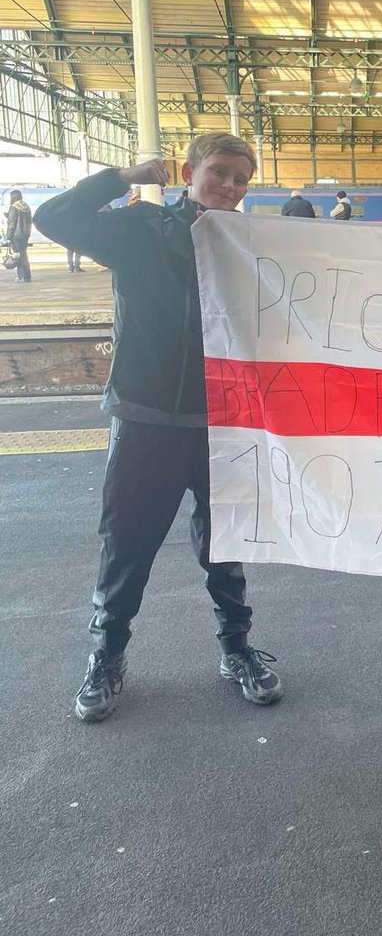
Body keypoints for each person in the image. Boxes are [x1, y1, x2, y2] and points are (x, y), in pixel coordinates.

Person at [33, 133, 283, 724]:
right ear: (189, 172)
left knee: (225, 544)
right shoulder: (139, 228)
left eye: (241, 179)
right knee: (128, 542)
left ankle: (236, 649)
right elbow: (52, 217)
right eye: (219, 172)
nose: (229, 186)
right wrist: (122, 177)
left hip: (222, 422)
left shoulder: (251, 244)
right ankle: (107, 654)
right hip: (145, 417)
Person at [6, 189, 33, 283]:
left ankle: (21, 276)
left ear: (13, 197)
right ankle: (27, 276)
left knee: (18, 256)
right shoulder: (26, 206)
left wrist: (8, 236)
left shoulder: (13, 207)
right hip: (25, 235)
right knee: (24, 255)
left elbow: (11, 223)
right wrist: (28, 233)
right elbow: (30, 222)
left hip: (16, 236)